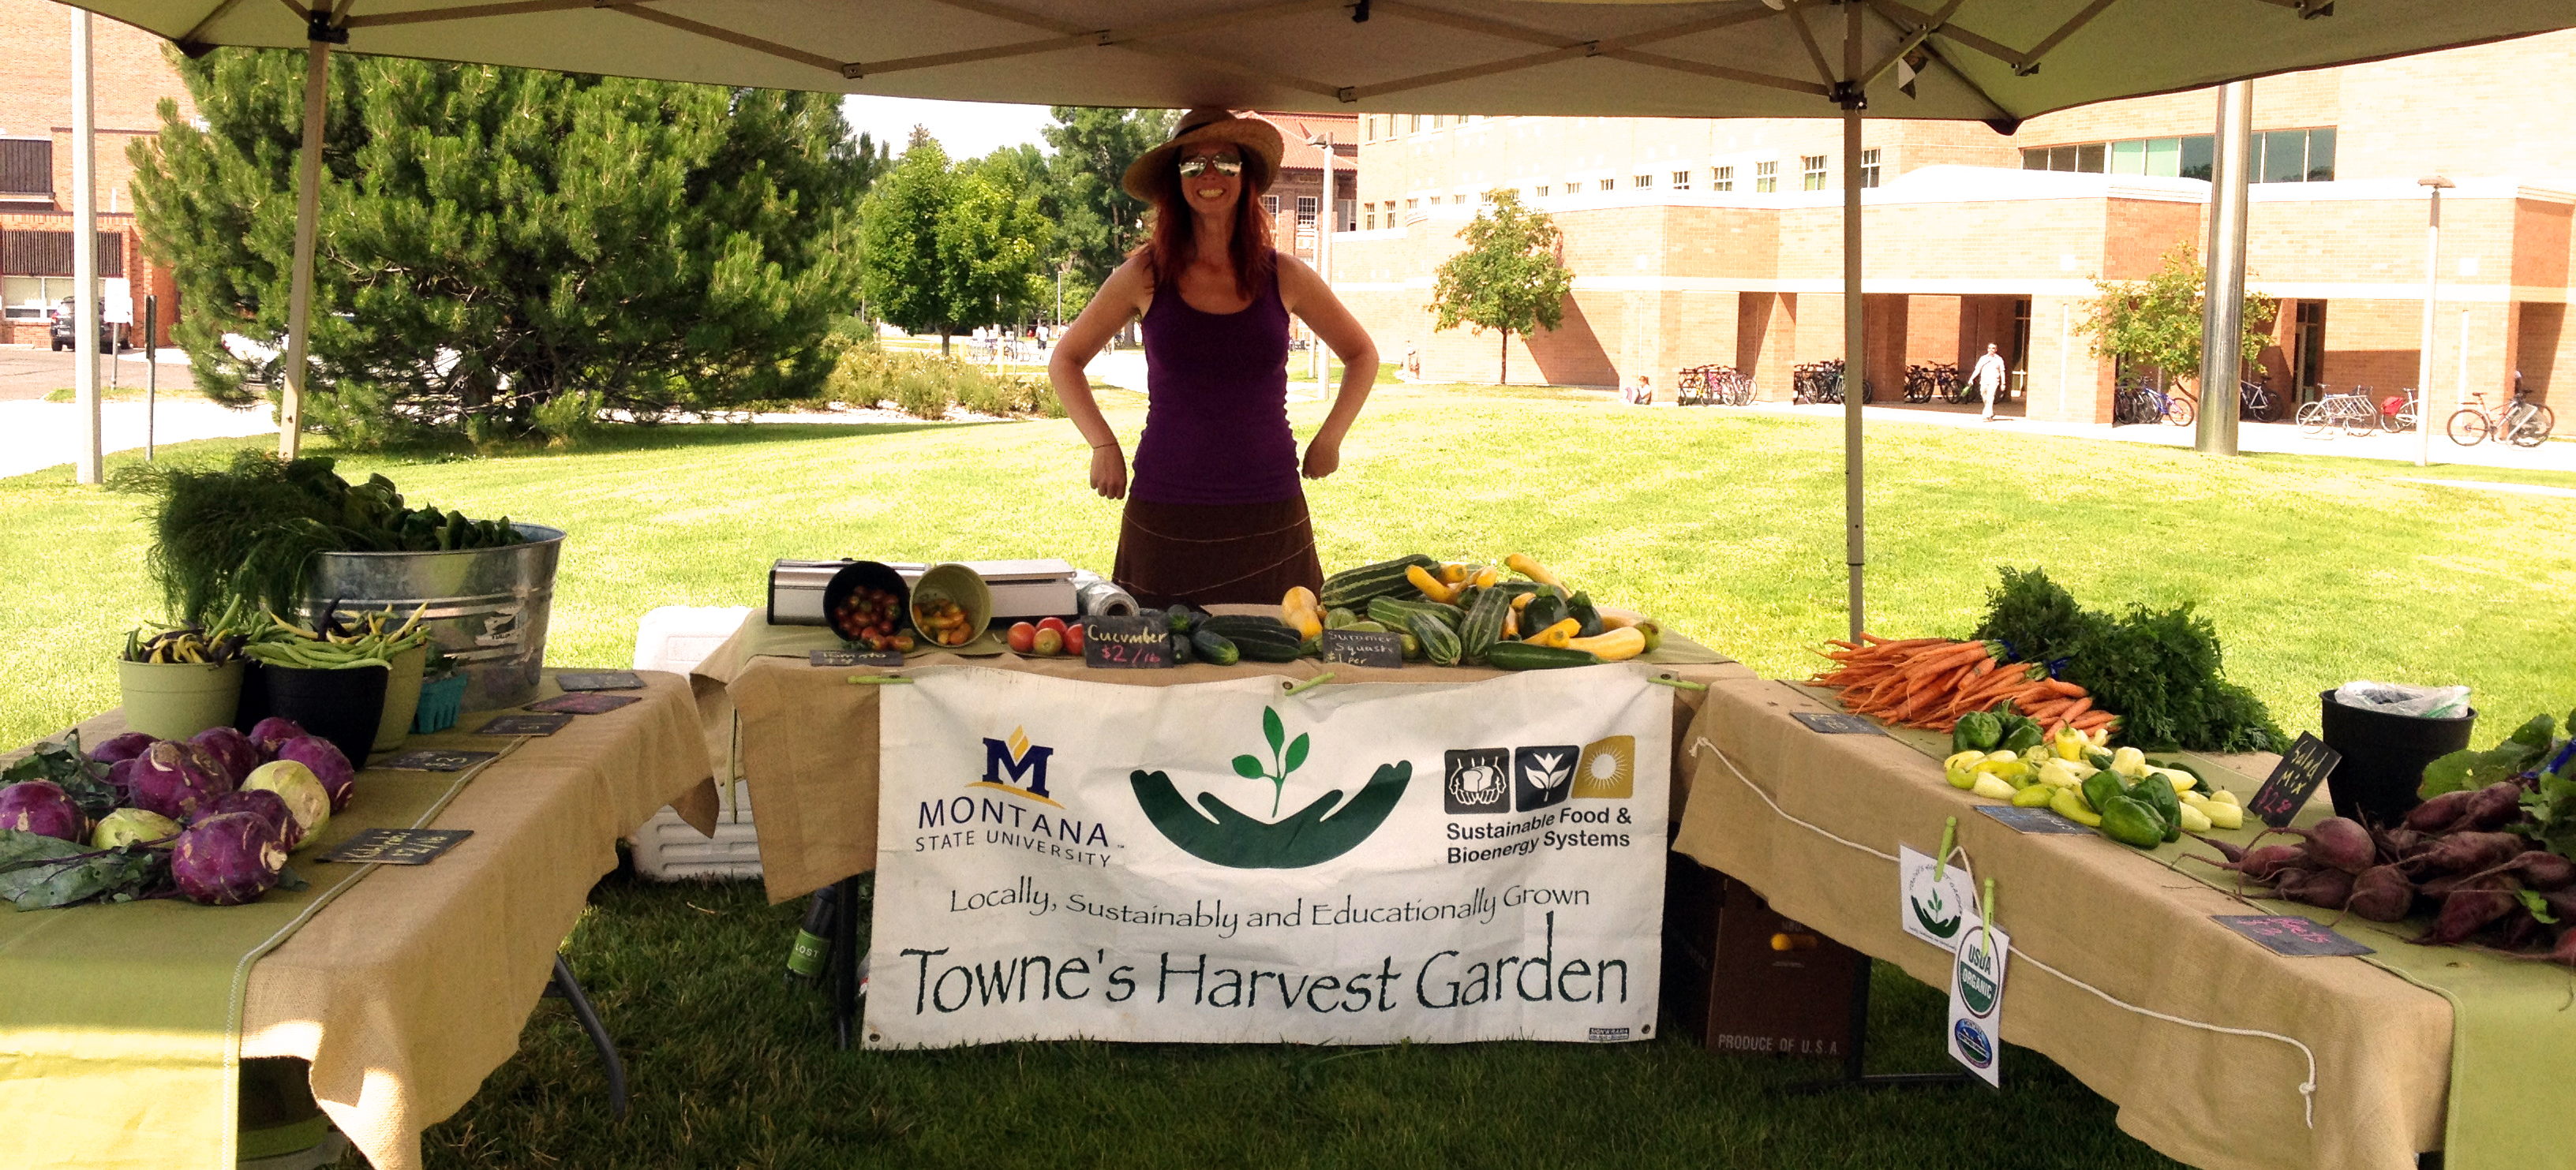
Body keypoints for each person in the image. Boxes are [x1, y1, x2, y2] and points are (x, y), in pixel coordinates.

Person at [1047, 108, 1379, 609]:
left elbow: (1361, 354)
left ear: (1245, 178)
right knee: (1160, 665)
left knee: (1283, 662)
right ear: (1173, 182)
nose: (1209, 176)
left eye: (1226, 163)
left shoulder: (1284, 275)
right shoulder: (1144, 274)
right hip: (1166, 505)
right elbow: (1066, 360)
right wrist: (1102, 444)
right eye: (1192, 164)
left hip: (1269, 503)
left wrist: (1329, 439)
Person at [1970, 342, 2009, 421]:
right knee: (1984, 395)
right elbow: (1977, 370)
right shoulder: (1983, 358)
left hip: (1994, 381)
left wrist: (2003, 383)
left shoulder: (1999, 359)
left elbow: (2002, 371)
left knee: (1990, 397)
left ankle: (1986, 416)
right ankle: (1990, 412)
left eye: (1993, 348)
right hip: (1984, 381)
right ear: (1987, 349)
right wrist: (1971, 378)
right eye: (1990, 348)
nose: (1991, 350)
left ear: (1996, 350)